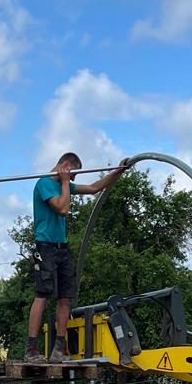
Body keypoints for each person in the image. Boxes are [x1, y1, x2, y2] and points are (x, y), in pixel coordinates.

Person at [25, 153, 128, 363]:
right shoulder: (44, 184)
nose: (72, 179)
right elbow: (62, 208)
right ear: (64, 166)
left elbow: (93, 188)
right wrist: (65, 182)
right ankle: (31, 350)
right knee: (43, 294)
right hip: (45, 247)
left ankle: (58, 350)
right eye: (73, 173)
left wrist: (117, 172)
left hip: (62, 248)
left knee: (65, 298)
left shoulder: (64, 185)